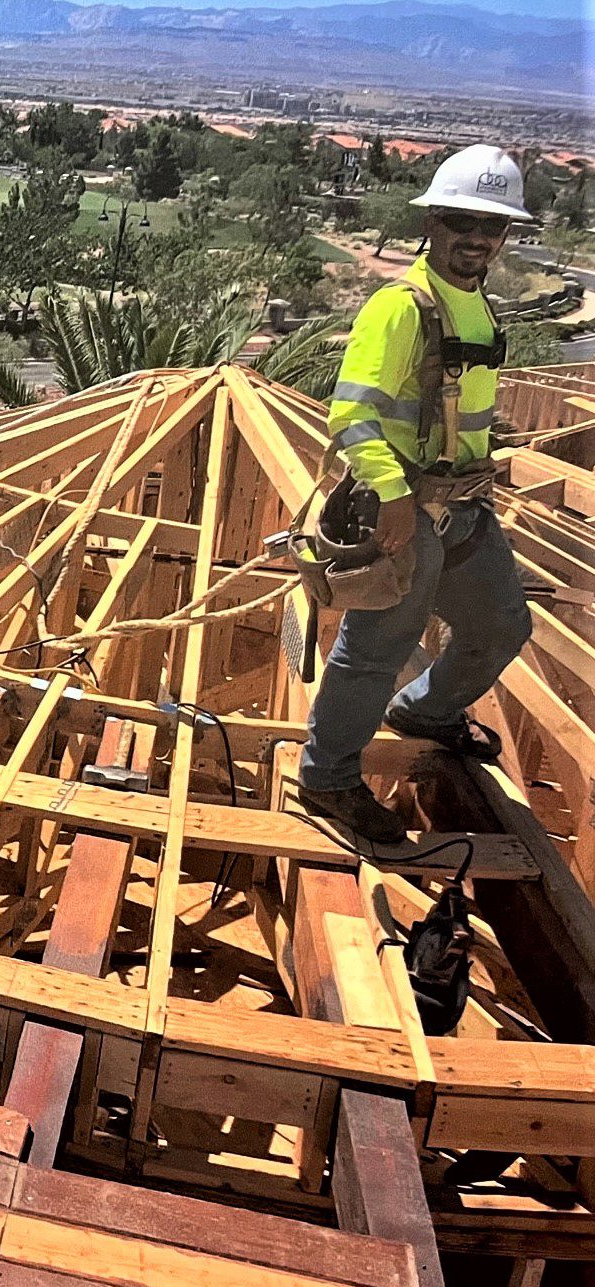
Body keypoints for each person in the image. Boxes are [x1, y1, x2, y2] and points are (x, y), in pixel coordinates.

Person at [299, 144, 534, 846]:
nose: (476, 236)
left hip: (462, 507)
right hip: (404, 508)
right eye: (462, 220)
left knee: (501, 625)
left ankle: (424, 713)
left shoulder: (477, 307)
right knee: (376, 647)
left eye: (491, 225)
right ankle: (327, 777)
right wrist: (393, 498)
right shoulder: (401, 307)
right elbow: (352, 414)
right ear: (431, 222)